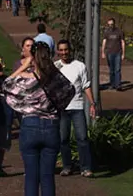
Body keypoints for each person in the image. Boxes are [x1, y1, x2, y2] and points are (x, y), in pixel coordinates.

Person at [1, 43, 60, 196]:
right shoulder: (54, 78)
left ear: (32, 57)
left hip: (30, 124)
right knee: (48, 176)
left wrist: (23, 66)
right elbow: (70, 90)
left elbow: (6, 85)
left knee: (31, 176)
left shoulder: (25, 79)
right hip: (51, 125)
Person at [54, 40, 96, 178]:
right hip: (62, 108)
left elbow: (86, 85)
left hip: (77, 107)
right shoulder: (55, 67)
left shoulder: (79, 66)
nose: (64, 53)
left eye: (66, 50)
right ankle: (67, 166)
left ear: (70, 50)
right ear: (58, 52)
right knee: (63, 138)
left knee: (82, 137)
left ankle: (86, 167)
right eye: (61, 50)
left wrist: (92, 104)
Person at [101, 18, 126, 91]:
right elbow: (104, 42)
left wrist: (123, 54)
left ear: (114, 24)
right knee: (111, 70)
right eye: (109, 25)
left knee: (117, 69)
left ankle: (118, 85)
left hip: (118, 52)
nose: (110, 26)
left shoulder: (119, 32)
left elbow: (123, 42)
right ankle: (112, 84)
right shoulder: (106, 32)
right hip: (109, 53)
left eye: (111, 24)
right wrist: (102, 52)